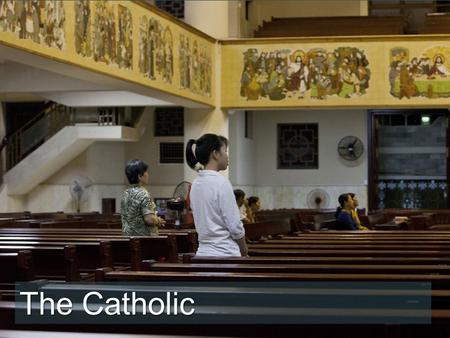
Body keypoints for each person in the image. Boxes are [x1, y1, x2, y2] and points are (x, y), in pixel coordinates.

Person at [186, 134, 248, 257]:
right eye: (225, 151)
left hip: (202, 254)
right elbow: (235, 226)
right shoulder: (221, 183)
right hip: (225, 255)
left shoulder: (195, 184)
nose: (227, 155)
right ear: (215, 154)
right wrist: (244, 249)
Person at [121, 159, 165, 236]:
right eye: (145, 172)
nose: (147, 174)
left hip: (127, 238)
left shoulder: (126, 193)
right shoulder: (143, 194)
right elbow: (149, 219)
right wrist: (158, 220)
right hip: (143, 241)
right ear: (140, 176)